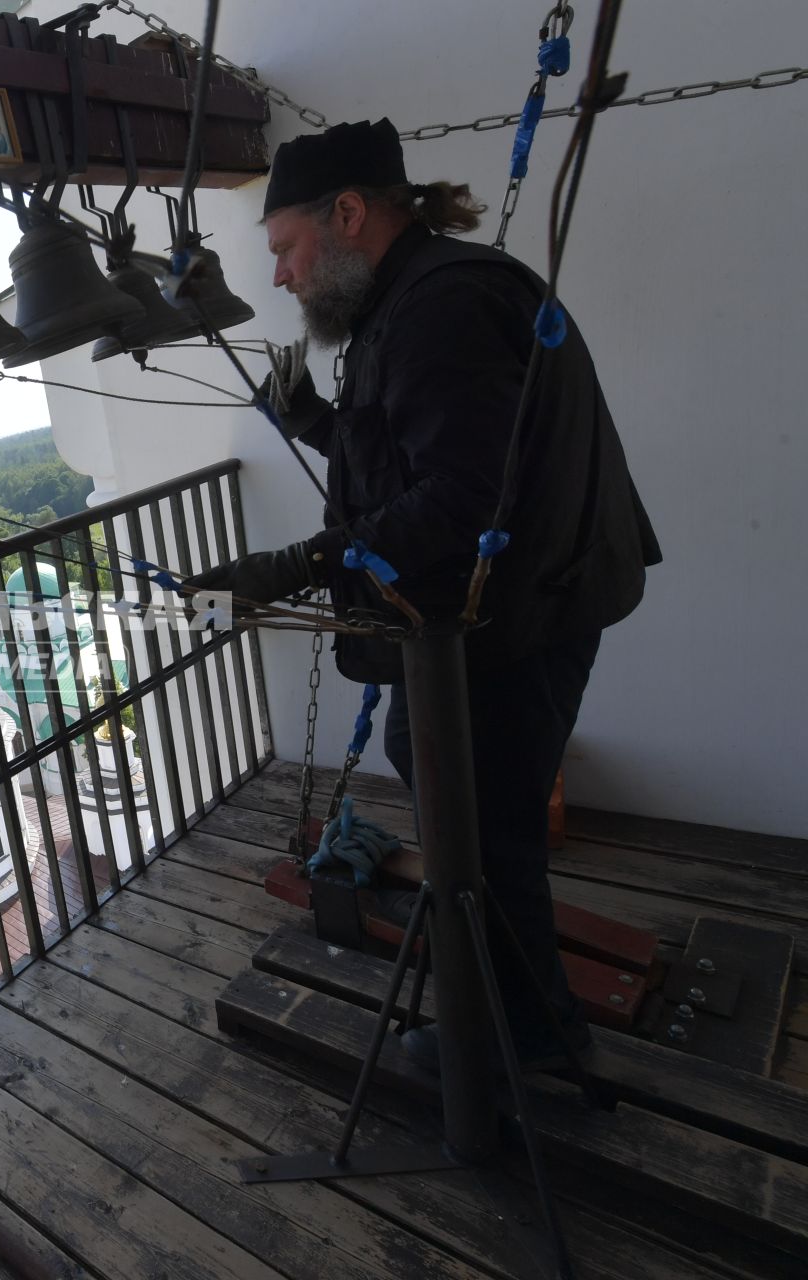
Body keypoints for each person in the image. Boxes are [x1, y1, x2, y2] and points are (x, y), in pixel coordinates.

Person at [183, 119, 660, 1070]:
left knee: (488, 840)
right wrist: (320, 424)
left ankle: (528, 1053)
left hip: (524, 614)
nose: (278, 276)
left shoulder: (439, 306)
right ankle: (521, 1032)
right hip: (526, 603)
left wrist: (301, 563)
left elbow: (464, 495)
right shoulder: (418, 297)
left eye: (284, 248)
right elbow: (424, 455)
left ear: (349, 214)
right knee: (446, 785)